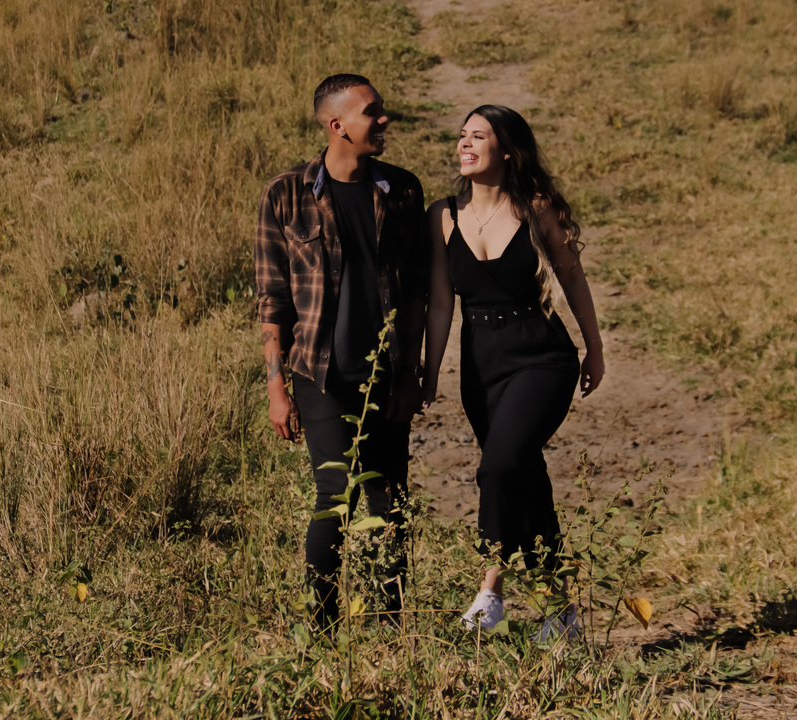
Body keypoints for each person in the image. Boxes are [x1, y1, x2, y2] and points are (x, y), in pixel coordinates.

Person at [422, 105, 605, 640]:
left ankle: (490, 590)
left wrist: (594, 348)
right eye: (462, 135)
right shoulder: (442, 216)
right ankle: (560, 611)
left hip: (541, 357)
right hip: (481, 367)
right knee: (524, 477)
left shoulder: (536, 208)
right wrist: (430, 372)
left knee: (500, 466)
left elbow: (573, 277)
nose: (465, 144)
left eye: (479, 136)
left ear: (507, 150)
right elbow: (441, 303)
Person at [255, 74, 427, 628]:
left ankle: (389, 624)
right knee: (334, 496)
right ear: (337, 125)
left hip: (386, 371)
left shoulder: (403, 191)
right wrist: (276, 387)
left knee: (389, 500)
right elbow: (272, 299)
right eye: (372, 112)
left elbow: (416, 294)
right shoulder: (285, 195)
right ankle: (323, 625)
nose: (384, 120)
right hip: (319, 373)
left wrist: (411, 374)